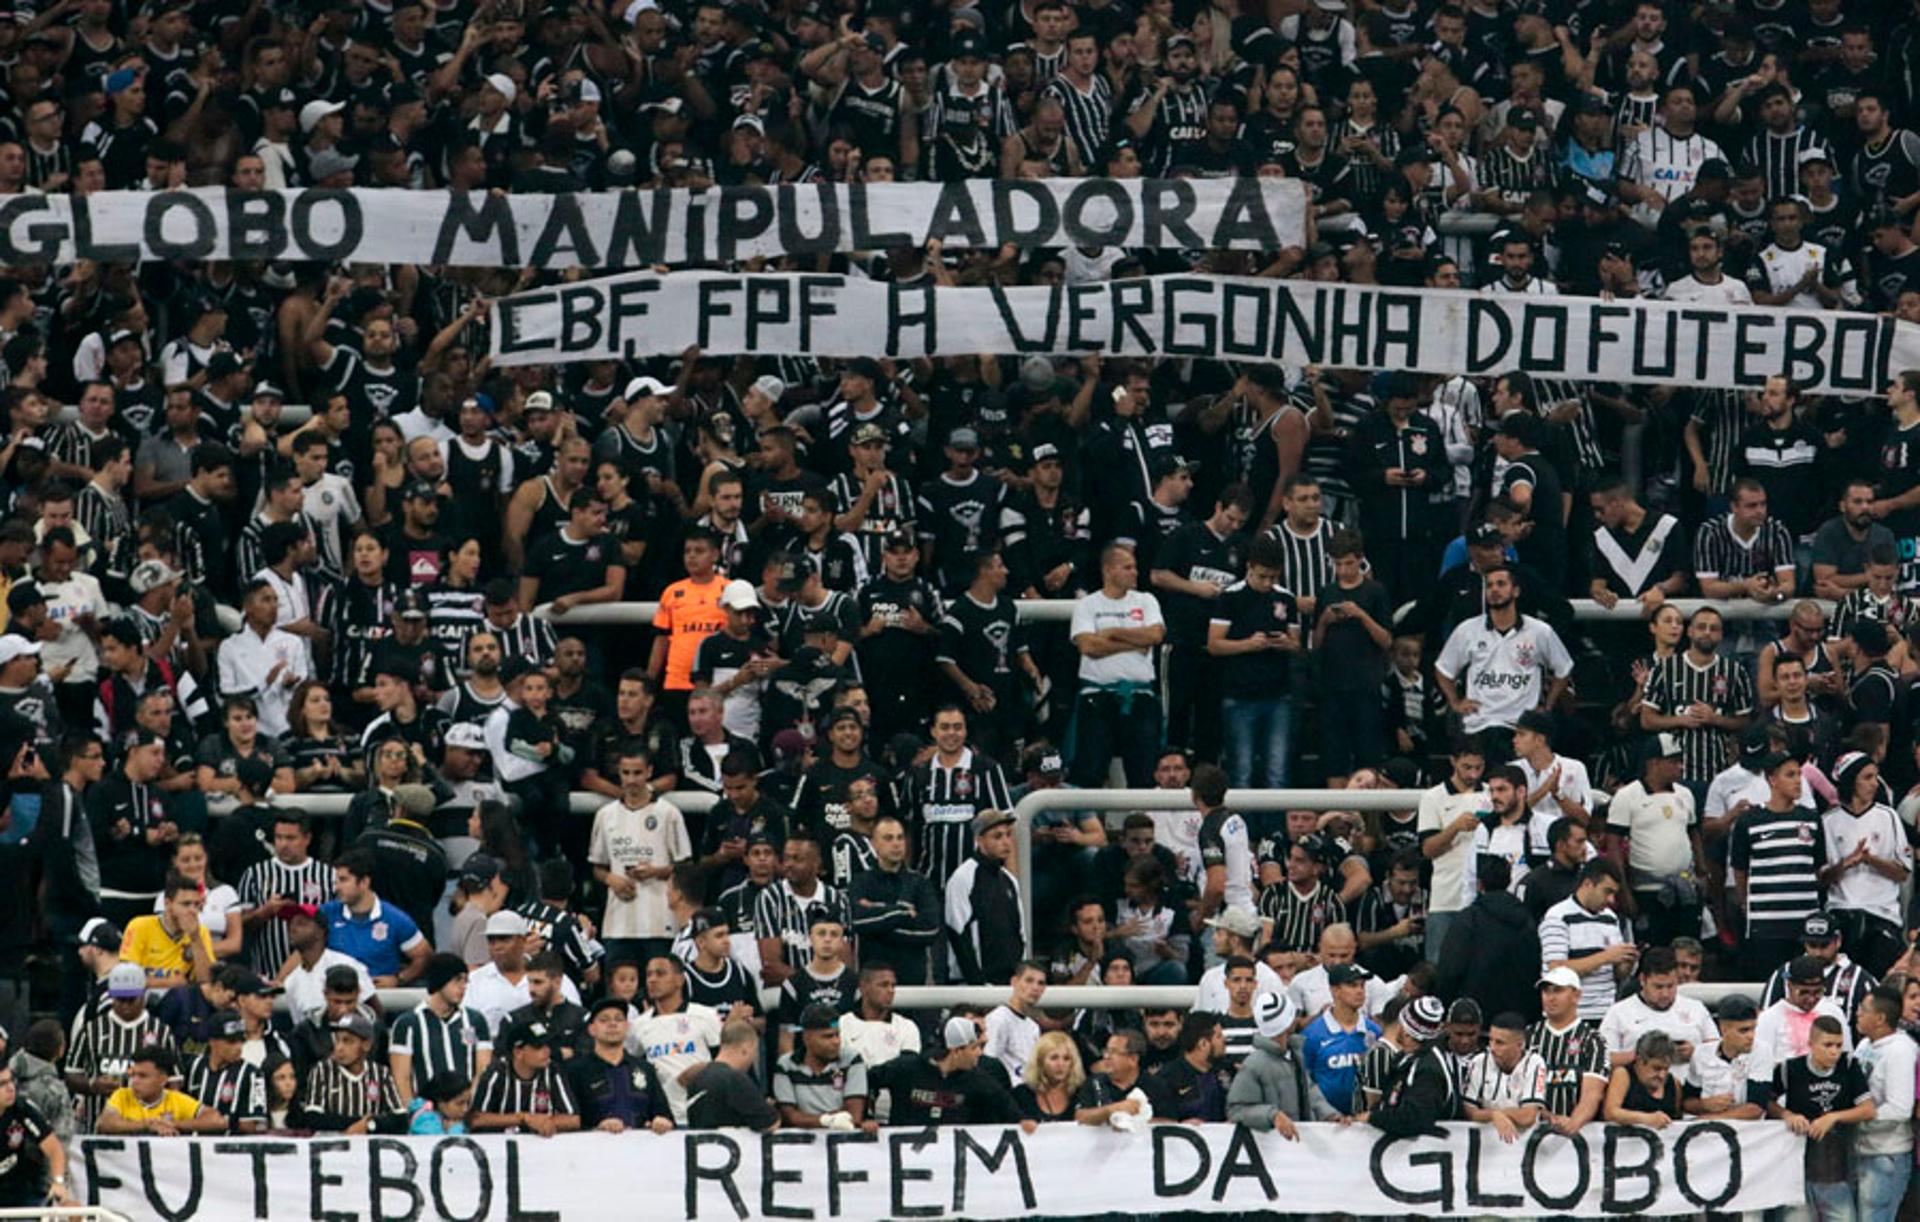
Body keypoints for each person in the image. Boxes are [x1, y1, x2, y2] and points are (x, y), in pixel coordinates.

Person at [1761, 1014, 1875, 1219]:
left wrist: (1832, 1117)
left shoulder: (1848, 1066)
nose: (1834, 1052)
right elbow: (1766, 1101)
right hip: (1796, 1165)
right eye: (1828, 1045)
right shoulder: (1790, 1069)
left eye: (1839, 1045)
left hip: (1836, 1165)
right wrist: (1786, 1114)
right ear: (1811, 1044)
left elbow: (1868, 1109)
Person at [868, 1016, 1020, 1126]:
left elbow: (1010, 1111)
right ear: (956, 1051)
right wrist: (866, 1116)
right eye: (974, 1047)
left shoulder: (979, 1079)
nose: (979, 1053)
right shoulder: (906, 1068)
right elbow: (867, 1080)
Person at [388, 953, 492, 1106]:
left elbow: (483, 1069)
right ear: (440, 981)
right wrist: (415, 1114)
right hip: (426, 1115)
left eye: (465, 981)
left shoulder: (476, 1021)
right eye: (457, 980)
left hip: (469, 1111)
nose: (463, 987)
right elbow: (401, 1078)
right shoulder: (407, 1024)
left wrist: (469, 1104)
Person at [1538, 860, 1633, 1023]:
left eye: (1614, 894)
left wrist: (1628, 960)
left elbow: (1617, 974)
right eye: (1607, 891)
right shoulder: (1557, 916)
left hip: (1606, 1014)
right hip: (1571, 1016)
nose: (1611, 899)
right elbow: (1557, 971)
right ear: (1588, 884)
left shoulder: (1610, 918)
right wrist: (1606, 957)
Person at [1352, 995, 1457, 1136]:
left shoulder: (1429, 1070)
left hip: (1427, 1153)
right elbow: (1388, 1101)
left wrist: (1372, 1117)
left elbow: (1414, 1119)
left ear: (1407, 1032)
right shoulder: (1405, 1058)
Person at [566, 996, 673, 1134]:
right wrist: (597, 1128)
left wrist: (662, 1122)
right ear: (592, 1029)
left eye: (619, 1019)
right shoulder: (575, 1071)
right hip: (593, 1151)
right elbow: (569, 1121)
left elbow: (665, 1115)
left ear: (627, 1026)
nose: (612, 1024)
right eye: (604, 1020)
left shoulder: (645, 1069)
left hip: (643, 1150)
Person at [1853, 987, 1916, 1217]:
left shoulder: (1901, 1050)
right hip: (1859, 1148)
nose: (1857, 1014)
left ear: (1880, 1018)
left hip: (1887, 1154)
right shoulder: (1864, 1046)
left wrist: (1858, 1117)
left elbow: (1900, 1108)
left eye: (1863, 1010)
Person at [1599, 948, 1716, 1069]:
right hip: (1639, 1084)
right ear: (1643, 980)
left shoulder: (1696, 1008)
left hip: (1690, 1082)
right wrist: (1645, 1055)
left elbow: (1718, 1050)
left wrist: (1695, 1053)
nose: (1665, 994)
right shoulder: (1618, 1012)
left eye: (1670, 986)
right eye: (1658, 987)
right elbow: (1603, 1059)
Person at [945, 811, 1025, 985]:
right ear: (979, 840)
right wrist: (978, 985)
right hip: (974, 984)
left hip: (1008, 982)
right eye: (997, 836)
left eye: (1008, 835)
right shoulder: (963, 878)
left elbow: (1020, 934)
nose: (1006, 842)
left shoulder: (1009, 880)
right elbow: (957, 934)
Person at [469, 1020, 581, 1136]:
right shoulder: (496, 1073)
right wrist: (523, 1118)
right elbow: (476, 1119)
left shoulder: (553, 1071)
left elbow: (574, 1119)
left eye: (547, 1045)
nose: (547, 1051)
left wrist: (544, 1122)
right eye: (538, 1047)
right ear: (518, 1052)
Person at [772, 1003, 872, 1132]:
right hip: (801, 1145)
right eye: (828, 1036)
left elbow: (853, 1115)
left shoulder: (851, 1060)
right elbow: (789, 1116)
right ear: (807, 1038)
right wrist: (828, 1121)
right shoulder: (786, 1065)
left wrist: (811, 1120)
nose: (836, 1041)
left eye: (837, 1035)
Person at [1299, 964, 1384, 1115]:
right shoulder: (1312, 1035)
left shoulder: (1374, 1032)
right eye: (1352, 985)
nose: (1360, 991)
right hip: (1325, 1125)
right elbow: (1305, 1082)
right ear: (1335, 990)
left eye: (1362, 986)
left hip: (1367, 1123)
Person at [96, 1044, 227, 1135]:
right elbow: (105, 1123)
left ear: (163, 1079)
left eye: (142, 1076)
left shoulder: (175, 1099)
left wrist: (173, 1124)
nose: (134, 1081)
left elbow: (217, 1121)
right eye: (133, 1075)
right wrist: (148, 1126)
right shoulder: (122, 1095)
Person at [1459, 1012, 1548, 1143]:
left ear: (1519, 1045)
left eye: (1500, 1043)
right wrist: (1494, 1115)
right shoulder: (1479, 1062)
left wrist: (1498, 1114)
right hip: (1487, 1146)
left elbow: (1528, 1116)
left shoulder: (1534, 1063)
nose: (1492, 1048)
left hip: (1525, 1146)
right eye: (1491, 1040)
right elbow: (1469, 1111)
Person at [686, 1021, 779, 1131]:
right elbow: (771, 1124)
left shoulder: (696, 1079)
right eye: (753, 1052)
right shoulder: (734, 1080)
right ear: (745, 1049)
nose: (752, 1059)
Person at [0, 1061, 69, 1208]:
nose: (11, 1088)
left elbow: (54, 1148)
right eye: (2, 1084)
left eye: (12, 1081)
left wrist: (58, 1182)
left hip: (17, 1194)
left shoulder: (21, 1108)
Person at [983, 961, 1048, 1081]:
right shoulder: (999, 1019)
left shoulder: (1033, 1027)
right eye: (1029, 980)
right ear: (1014, 982)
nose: (1035, 987)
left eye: (1041, 983)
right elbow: (988, 1064)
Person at [1602, 1030, 1683, 1127]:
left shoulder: (1673, 1084)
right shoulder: (1623, 1075)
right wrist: (1646, 1119)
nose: (1662, 1075)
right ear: (1640, 1061)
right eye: (1656, 1068)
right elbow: (1610, 1112)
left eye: (1666, 1069)